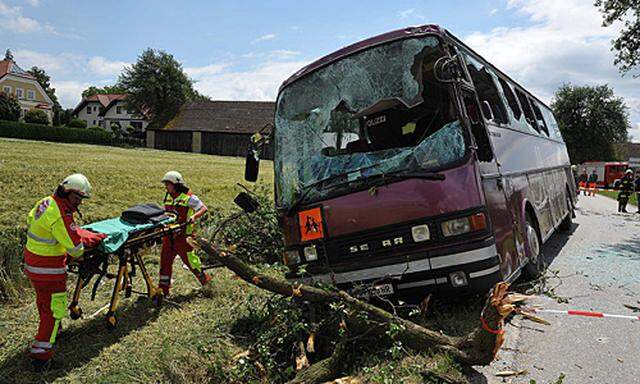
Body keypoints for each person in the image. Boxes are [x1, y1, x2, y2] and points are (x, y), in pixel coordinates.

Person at [24, 174, 91, 371]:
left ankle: (54, 330)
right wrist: (85, 242)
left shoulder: (46, 202)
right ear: (67, 192)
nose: (79, 203)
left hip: (33, 263)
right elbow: (76, 249)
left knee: (44, 304)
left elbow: (31, 219)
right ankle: (41, 357)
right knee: (55, 309)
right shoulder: (61, 213)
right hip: (48, 269)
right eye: (76, 198)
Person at [158, 171, 211, 296]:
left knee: (192, 263)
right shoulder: (169, 196)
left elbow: (203, 208)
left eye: (167, 184)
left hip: (184, 238)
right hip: (169, 236)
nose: (165, 187)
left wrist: (194, 216)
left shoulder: (189, 197)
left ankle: (208, 284)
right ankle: (163, 290)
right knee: (164, 263)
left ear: (175, 184)